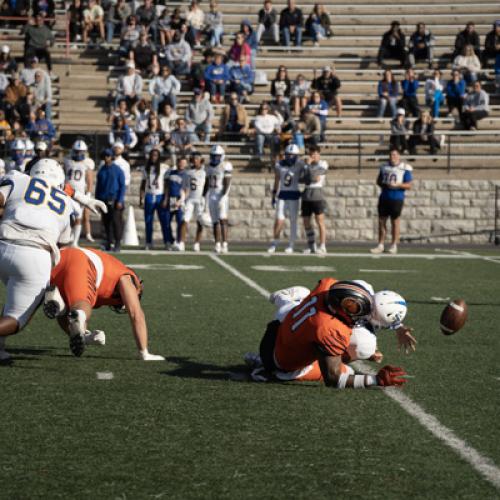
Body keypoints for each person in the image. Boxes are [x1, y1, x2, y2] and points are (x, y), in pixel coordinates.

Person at [0, 159, 105, 361]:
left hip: (3, 240)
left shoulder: (18, 178)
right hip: (34, 255)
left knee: (13, 298)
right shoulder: (66, 203)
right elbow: (63, 245)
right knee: (16, 320)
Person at [248, 279, 408, 387]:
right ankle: (265, 369)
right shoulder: (330, 329)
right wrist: (375, 380)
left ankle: (284, 300)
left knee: (303, 294)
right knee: (351, 367)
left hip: (278, 328)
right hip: (280, 361)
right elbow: (333, 378)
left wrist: (398, 326)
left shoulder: (328, 286)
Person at [44, 247, 165, 360]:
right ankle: (72, 312)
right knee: (81, 307)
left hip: (58, 257)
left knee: (66, 312)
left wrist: (87, 337)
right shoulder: (126, 276)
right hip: (80, 261)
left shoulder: (108, 275)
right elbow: (136, 314)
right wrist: (144, 352)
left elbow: (73, 320)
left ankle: (62, 307)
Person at [371, 148, 412, 255]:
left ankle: (394, 245)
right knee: (381, 222)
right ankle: (380, 245)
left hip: (397, 198)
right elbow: (378, 181)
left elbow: (409, 185)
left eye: (394, 155)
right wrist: (385, 184)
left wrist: (398, 185)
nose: (392, 157)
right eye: (391, 155)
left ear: (399, 156)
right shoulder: (384, 166)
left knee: (395, 222)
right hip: (384, 197)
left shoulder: (404, 168)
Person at [268, 144, 304, 254]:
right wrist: (274, 195)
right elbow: (277, 180)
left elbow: (305, 176)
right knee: (279, 219)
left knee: (293, 221)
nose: (290, 157)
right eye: (288, 155)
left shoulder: (300, 164)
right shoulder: (279, 164)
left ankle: (291, 244)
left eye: (293, 155)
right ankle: (275, 242)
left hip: (294, 195)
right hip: (282, 194)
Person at [63, 139, 95, 246]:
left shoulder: (87, 163)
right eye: (77, 151)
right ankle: (68, 237)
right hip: (66, 192)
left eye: (81, 151)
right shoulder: (67, 161)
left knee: (78, 217)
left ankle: (75, 242)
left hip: (79, 195)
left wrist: (88, 194)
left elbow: (90, 180)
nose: (79, 154)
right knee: (66, 216)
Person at [95, 148, 126, 252]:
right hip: (104, 199)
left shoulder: (118, 170)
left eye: (108, 156)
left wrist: (120, 200)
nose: (106, 158)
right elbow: (98, 187)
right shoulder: (101, 170)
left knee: (116, 222)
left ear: (112, 157)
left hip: (115, 199)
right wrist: (97, 201)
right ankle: (108, 242)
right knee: (106, 222)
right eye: (104, 156)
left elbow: (122, 186)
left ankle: (117, 243)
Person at [139, 148, 169, 249]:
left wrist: (165, 198)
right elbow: (143, 184)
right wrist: (141, 198)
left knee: (164, 221)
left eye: (156, 155)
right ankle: (148, 242)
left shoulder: (164, 167)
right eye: (152, 155)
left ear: (159, 156)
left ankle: (167, 242)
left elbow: (166, 185)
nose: (154, 157)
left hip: (160, 196)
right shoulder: (146, 168)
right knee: (148, 221)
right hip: (149, 195)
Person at [205, 144, 232, 253]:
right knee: (215, 221)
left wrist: (224, 195)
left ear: (222, 156)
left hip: (221, 195)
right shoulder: (208, 167)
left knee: (223, 220)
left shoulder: (226, 165)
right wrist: (204, 196)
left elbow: (227, 183)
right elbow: (207, 183)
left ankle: (225, 243)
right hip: (212, 195)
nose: (215, 158)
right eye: (213, 156)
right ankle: (217, 243)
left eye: (217, 156)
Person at [301, 145, 328, 254]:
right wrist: (309, 172)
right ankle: (311, 245)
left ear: (319, 154)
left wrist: (308, 171)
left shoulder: (323, 164)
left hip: (317, 193)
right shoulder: (306, 164)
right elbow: (302, 179)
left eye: (315, 154)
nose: (313, 156)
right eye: (311, 154)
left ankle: (322, 245)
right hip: (307, 193)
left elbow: (316, 179)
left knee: (320, 221)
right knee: (306, 221)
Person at [179, 152, 207, 252]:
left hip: (200, 200)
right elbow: (184, 188)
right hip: (190, 199)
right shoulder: (187, 173)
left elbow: (207, 187)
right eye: (193, 158)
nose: (195, 160)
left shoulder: (205, 172)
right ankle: (182, 242)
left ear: (201, 160)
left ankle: (197, 243)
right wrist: (182, 200)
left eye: (197, 158)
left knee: (200, 222)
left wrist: (205, 199)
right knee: (184, 220)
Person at [162, 155, 188, 249]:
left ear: (185, 164)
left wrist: (181, 201)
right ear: (177, 163)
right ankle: (169, 240)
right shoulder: (171, 173)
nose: (181, 164)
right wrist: (165, 199)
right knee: (167, 221)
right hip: (171, 199)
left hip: (180, 199)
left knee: (180, 222)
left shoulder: (186, 175)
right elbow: (167, 187)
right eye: (180, 162)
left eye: (183, 163)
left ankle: (179, 241)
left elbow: (187, 190)